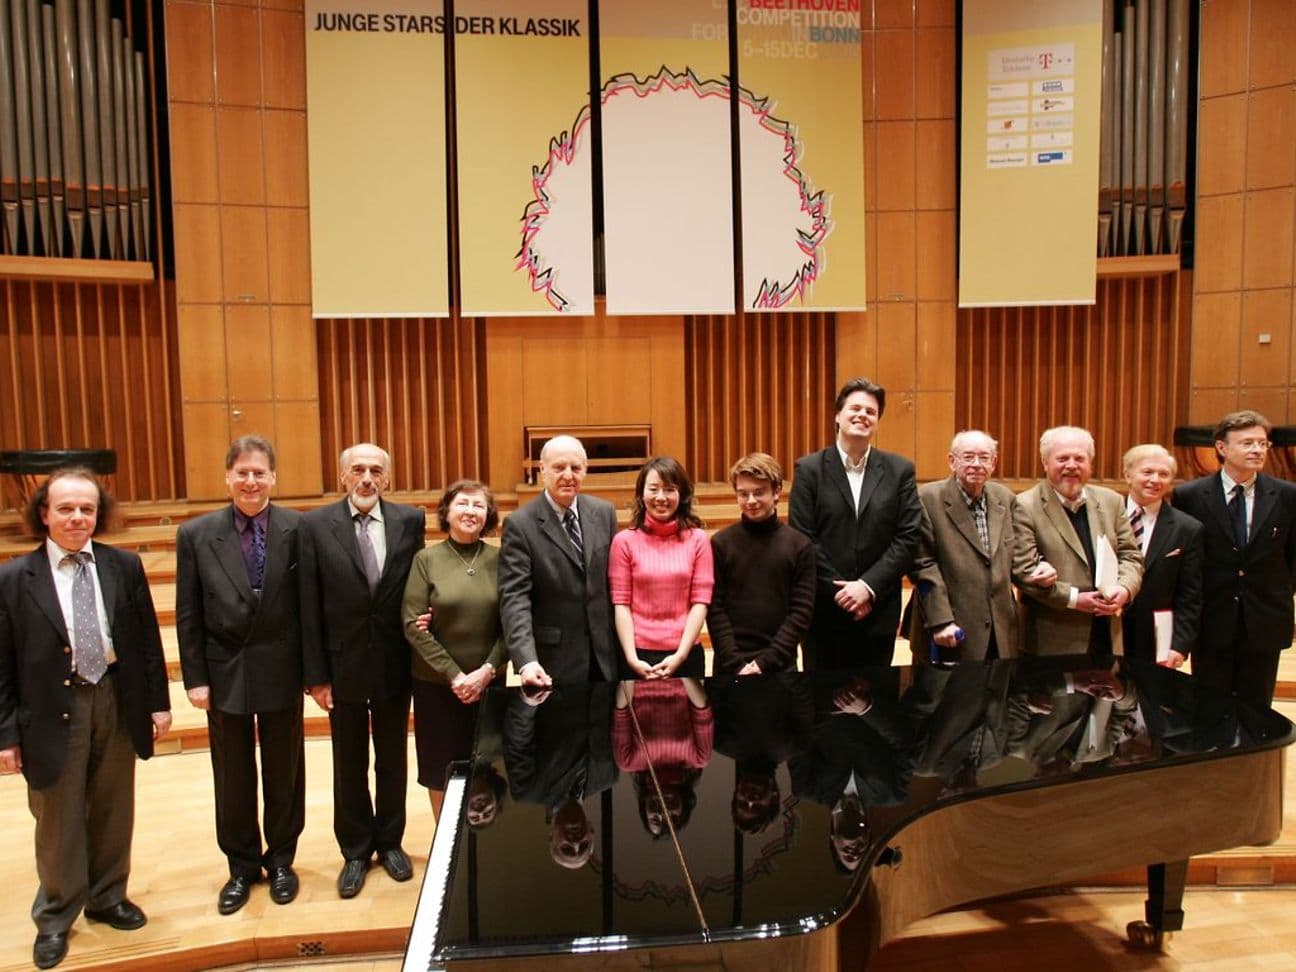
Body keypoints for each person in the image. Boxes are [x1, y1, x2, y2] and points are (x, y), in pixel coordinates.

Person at [0, 468, 171, 970]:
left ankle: (107, 897)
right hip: (51, 709)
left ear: (100, 514)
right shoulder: (12, 578)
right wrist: (5, 733)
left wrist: (158, 702)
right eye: (66, 508)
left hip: (115, 696)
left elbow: (145, 643)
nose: (77, 517)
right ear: (44, 514)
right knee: (57, 818)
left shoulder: (123, 566)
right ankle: (55, 916)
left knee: (114, 805)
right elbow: (2, 664)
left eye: (87, 509)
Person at [175, 436, 305, 915]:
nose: (251, 481)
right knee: (231, 773)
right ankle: (241, 865)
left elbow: (307, 607)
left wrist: (312, 672)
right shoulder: (195, 534)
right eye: (242, 473)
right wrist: (195, 677)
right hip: (224, 668)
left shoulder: (297, 528)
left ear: (274, 477)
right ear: (227, 477)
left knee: (284, 770)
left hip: (280, 667)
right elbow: (187, 611)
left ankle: (283, 859)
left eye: (260, 473)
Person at [299, 443, 426, 899]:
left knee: (392, 757)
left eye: (376, 470)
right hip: (341, 664)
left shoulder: (410, 521)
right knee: (348, 762)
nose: (367, 477)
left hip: (395, 662)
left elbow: (419, 585)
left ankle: (390, 842)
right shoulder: (315, 525)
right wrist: (316, 675)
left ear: (388, 478)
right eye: (358, 470)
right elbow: (307, 605)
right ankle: (355, 849)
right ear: (343, 477)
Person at [789, 377, 922, 669]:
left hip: (878, 608)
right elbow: (803, 538)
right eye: (855, 408)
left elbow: (908, 536)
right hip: (825, 611)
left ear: (877, 422)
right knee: (823, 705)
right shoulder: (809, 469)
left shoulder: (899, 470)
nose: (862, 415)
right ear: (838, 415)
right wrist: (843, 592)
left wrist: (867, 587)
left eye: (870, 412)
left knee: (877, 704)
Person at [1172, 411, 1296, 707]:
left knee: (1258, 708)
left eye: (1262, 444)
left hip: (1265, 619)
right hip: (1211, 619)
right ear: (1222, 448)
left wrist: (1278, 592)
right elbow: (1187, 561)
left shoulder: (1288, 495)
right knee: (1209, 706)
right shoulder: (1189, 495)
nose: (1257, 450)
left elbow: (1292, 556)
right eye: (1247, 443)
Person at [402, 480, 504, 821]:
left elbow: (513, 626)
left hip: (490, 684)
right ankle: (445, 844)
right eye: (463, 504)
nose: (471, 512)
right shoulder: (426, 559)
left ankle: (486, 842)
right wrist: (455, 675)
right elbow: (411, 624)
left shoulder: (501, 559)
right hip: (437, 685)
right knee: (440, 768)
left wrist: (486, 670)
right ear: (447, 512)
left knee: (488, 764)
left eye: (479, 505)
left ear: (488, 514)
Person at [908, 430, 1054, 662]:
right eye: (968, 457)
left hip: (1001, 630)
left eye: (984, 458)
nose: (976, 464)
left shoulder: (1004, 498)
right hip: (949, 629)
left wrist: (1039, 567)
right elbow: (923, 565)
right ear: (951, 461)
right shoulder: (927, 499)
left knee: (997, 695)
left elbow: (1016, 554)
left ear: (994, 463)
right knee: (945, 696)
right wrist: (941, 621)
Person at [1013, 426, 1143, 657]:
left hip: (1107, 634)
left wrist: (1123, 589)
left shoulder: (1111, 501)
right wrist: (1074, 599)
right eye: (1062, 458)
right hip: (1051, 640)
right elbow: (1024, 570)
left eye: (1079, 458)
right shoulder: (1024, 505)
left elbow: (1130, 556)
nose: (1071, 465)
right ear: (1045, 462)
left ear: (1090, 464)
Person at [499, 435, 618, 686]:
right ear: (542, 470)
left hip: (604, 657)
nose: (568, 475)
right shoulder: (520, 524)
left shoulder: (604, 513)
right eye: (558, 467)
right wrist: (526, 661)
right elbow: (515, 598)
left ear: (585, 471)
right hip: (551, 662)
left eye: (575, 468)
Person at [707, 452, 816, 675]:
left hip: (780, 665)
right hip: (730, 666)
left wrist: (764, 663)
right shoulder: (720, 543)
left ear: (776, 492)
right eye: (743, 494)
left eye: (759, 493)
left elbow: (801, 613)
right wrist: (735, 663)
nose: (751, 501)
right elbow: (715, 608)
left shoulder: (800, 546)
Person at [609, 457, 713, 678]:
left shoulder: (698, 540)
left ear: (682, 495)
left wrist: (681, 655)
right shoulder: (624, 541)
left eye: (669, 489)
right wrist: (631, 658)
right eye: (653, 489)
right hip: (636, 655)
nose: (661, 497)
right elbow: (621, 604)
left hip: (686, 653)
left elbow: (700, 602)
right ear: (641, 494)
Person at [1118, 444, 1204, 667]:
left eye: (1163, 474)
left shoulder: (1187, 528)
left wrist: (1180, 644)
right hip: (1107, 630)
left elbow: (1190, 594)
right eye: (1147, 472)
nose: (1155, 480)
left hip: (1157, 634)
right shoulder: (1104, 514)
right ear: (1127, 475)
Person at [613, 678, 713, 837]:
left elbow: (622, 710)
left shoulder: (627, 761)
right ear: (684, 809)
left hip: (637, 674)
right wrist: (682, 671)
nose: (664, 813)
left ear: (643, 809)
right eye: (672, 817)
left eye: (655, 819)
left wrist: (630, 671)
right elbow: (702, 708)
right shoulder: (700, 758)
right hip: (681, 673)